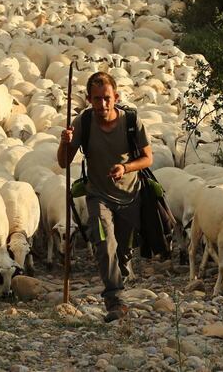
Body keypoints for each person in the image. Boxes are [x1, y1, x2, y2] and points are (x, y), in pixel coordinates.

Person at [58, 72, 154, 323]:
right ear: (89, 99)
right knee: (104, 244)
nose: (102, 105)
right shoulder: (84, 122)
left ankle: (120, 272)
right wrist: (64, 143)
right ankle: (115, 300)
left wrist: (125, 168)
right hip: (98, 195)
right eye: (97, 99)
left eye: (107, 98)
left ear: (116, 97)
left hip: (130, 196)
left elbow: (147, 158)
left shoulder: (131, 121)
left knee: (122, 251)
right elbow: (63, 162)